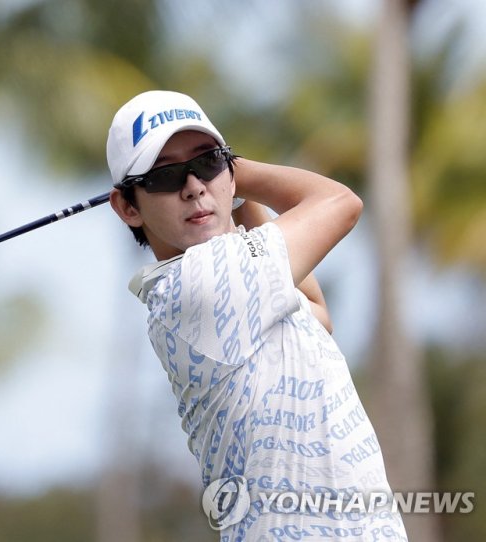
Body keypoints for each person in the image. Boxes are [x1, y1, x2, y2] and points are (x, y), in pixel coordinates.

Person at [106, 90, 408, 541]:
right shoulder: (201, 284)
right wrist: (232, 172)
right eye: (166, 175)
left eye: (205, 163)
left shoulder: (243, 284)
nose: (193, 186)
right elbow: (340, 203)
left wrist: (227, 186)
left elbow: (318, 314)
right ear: (128, 206)